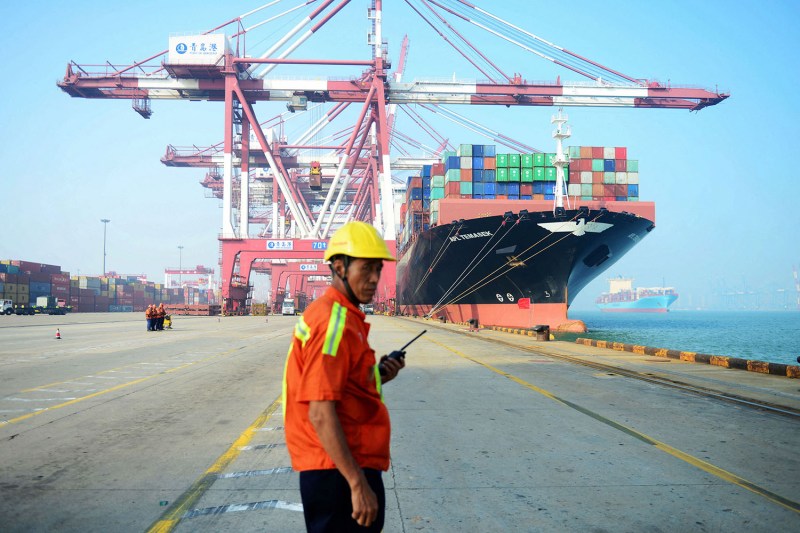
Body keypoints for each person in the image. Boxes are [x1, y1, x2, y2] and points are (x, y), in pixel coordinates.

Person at [283, 221, 405, 532]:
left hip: (340, 463)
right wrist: (356, 483)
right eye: (366, 269)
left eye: (378, 269)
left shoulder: (343, 317)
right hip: (336, 470)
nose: (374, 279)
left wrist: (377, 375)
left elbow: (342, 387)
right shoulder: (333, 322)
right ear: (339, 266)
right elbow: (320, 412)